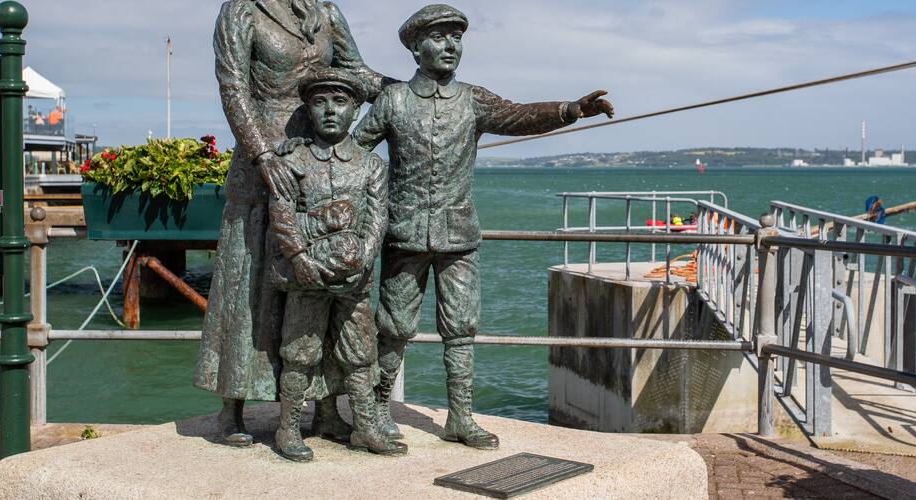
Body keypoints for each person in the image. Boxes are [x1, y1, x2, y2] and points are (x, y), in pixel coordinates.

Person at [354, 4, 614, 450]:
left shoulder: (473, 100)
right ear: (416, 48)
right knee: (394, 326)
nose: (450, 45)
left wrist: (571, 109)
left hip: (459, 236)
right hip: (404, 232)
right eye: (438, 37)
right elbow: (356, 154)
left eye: (456, 37)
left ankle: (460, 416)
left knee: (461, 327)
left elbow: (517, 116)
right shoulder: (393, 101)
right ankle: (378, 408)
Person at [195, 0, 393, 449]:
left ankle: (325, 409)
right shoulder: (243, 10)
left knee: (320, 287)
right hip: (261, 159)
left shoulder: (326, 12)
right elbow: (233, 87)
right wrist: (262, 153)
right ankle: (233, 408)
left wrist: (411, 87)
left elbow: (357, 73)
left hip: (317, 160)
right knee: (247, 286)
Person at [259, 68, 400, 461]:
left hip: (353, 280)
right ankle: (287, 426)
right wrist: (300, 258)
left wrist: (366, 257)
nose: (330, 111)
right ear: (308, 108)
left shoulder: (370, 165)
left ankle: (364, 425)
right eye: (320, 102)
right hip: (306, 278)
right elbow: (282, 214)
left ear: (355, 109)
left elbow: (377, 218)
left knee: (359, 352)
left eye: (340, 102)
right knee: (300, 352)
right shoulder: (294, 159)